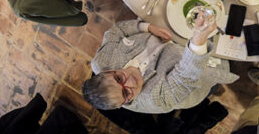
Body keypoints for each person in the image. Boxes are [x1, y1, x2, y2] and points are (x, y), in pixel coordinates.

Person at [83, 15, 238, 113]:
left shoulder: (101, 61)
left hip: (169, 29)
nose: (131, 82)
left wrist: (147, 27)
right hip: (201, 63)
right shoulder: (155, 99)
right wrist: (199, 39)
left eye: (119, 78)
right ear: (125, 103)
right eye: (126, 93)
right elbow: (186, 75)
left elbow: (117, 31)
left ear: (107, 71)